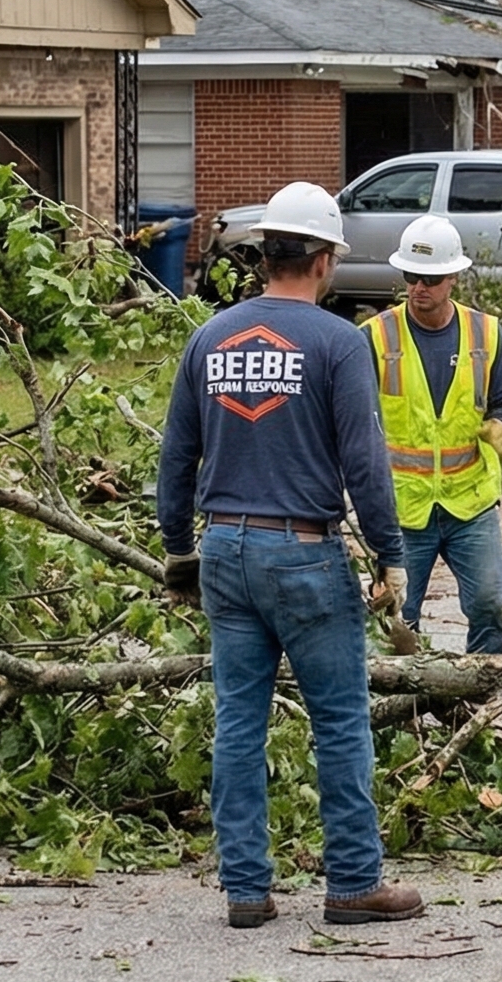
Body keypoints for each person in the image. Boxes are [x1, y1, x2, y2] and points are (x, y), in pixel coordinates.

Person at [158, 181, 422, 930]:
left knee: (238, 721)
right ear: (324, 259)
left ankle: (246, 891)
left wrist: (178, 549)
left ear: (266, 253)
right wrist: (390, 553)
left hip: (224, 548)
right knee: (338, 719)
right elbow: (365, 462)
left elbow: (175, 456)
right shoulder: (338, 342)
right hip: (304, 553)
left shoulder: (210, 338)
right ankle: (354, 883)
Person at [367, 216, 502, 654]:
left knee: (493, 607)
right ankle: (404, 693)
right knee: (393, 619)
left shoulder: (486, 334)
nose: (419, 287)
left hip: (470, 503)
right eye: (411, 276)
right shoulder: (375, 337)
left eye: (431, 279)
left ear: (453, 277)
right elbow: (355, 419)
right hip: (404, 509)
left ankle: (482, 687)